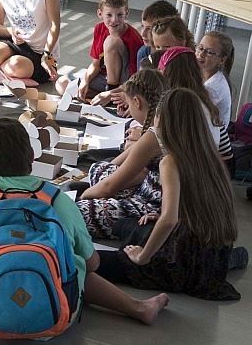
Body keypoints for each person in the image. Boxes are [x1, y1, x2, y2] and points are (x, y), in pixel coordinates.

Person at [0, 118, 169, 326]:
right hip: (59, 309)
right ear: (32, 155)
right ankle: (137, 307)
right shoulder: (56, 198)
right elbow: (92, 263)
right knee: (73, 264)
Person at [97, 88, 245, 300]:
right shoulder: (210, 156)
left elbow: (169, 220)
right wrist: (164, 217)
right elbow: (200, 208)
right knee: (129, 226)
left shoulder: (171, 160)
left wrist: (142, 257)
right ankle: (233, 258)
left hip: (183, 260)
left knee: (97, 261)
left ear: (164, 121)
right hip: (214, 256)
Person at [77, 70, 169, 239]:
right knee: (99, 169)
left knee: (77, 212)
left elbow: (109, 186)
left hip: (151, 206)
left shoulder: (154, 136)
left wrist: (83, 198)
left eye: (129, 105)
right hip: (149, 193)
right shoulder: (162, 124)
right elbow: (115, 166)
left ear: (137, 102)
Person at [66, 0, 143, 104]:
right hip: (103, 77)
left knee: (112, 41)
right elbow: (95, 64)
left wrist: (111, 93)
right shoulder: (99, 29)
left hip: (123, 82)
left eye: (120, 15)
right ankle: (101, 97)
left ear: (126, 13)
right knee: (62, 84)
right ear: (100, 14)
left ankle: (112, 96)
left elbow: (136, 78)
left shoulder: (133, 38)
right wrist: (85, 81)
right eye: (109, 15)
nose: (114, 20)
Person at [197, 31, 234, 129]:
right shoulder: (202, 75)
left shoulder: (213, 88)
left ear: (222, 60)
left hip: (211, 136)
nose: (201, 54)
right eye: (200, 48)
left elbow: (193, 114)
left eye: (209, 52)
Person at [137, 0, 178, 69]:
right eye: (142, 26)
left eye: (149, 29)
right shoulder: (144, 52)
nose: (143, 34)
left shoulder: (181, 55)